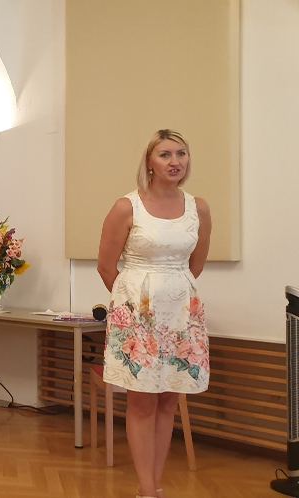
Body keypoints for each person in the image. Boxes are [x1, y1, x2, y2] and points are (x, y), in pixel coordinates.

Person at [97, 129, 212, 498]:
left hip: (181, 315)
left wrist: (171, 295)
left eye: (181, 153)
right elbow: (106, 267)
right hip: (137, 316)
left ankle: (155, 486)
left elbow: (196, 265)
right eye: (165, 154)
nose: (175, 161)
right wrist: (133, 305)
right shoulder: (126, 207)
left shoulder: (199, 207)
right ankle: (146, 490)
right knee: (142, 400)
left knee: (168, 399)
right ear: (149, 162)